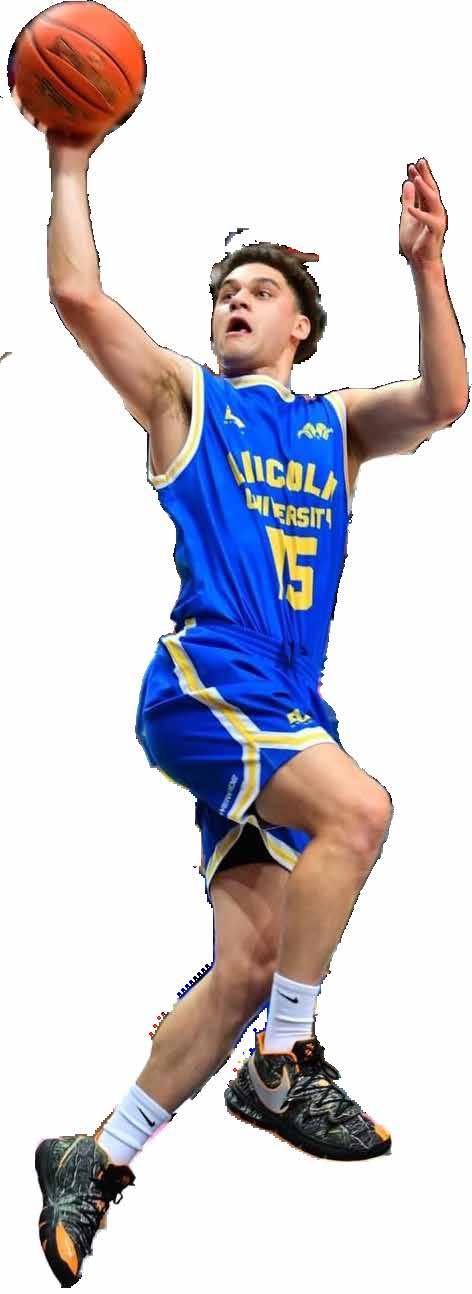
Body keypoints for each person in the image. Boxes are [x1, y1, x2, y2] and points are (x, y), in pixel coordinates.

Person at [35, 132, 467, 1287]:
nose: (236, 300)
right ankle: (285, 1060)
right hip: (210, 681)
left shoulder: (333, 425)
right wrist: (70, 158)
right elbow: (77, 296)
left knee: (247, 966)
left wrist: (427, 264)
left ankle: (96, 1155)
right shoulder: (186, 400)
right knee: (359, 813)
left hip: (284, 711)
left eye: (261, 290)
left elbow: (446, 398)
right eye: (226, 289)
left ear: (300, 329)